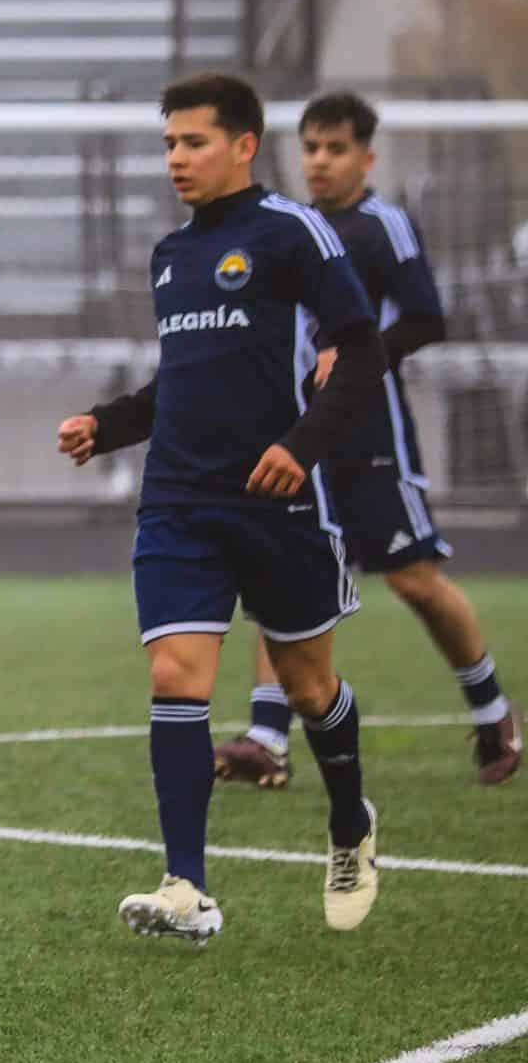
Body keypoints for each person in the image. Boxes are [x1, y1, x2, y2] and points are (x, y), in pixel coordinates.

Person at [56, 72, 385, 943]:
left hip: (279, 502)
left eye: (193, 141)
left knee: (309, 687)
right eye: (168, 142)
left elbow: (362, 354)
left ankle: (349, 820)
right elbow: (182, 382)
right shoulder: (170, 255)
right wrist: (107, 424)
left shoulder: (292, 232)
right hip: (178, 499)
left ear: (243, 145)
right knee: (176, 677)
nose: (176, 158)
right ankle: (186, 886)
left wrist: (300, 446)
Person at [214, 92, 517, 788]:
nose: (320, 161)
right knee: (281, 573)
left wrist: (356, 352)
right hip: (298, 433)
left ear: (367, 157)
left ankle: (493, 709)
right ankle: (267, 739)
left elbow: (427, 318)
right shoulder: (290, 227)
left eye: (336, 148)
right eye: (311, 147)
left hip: (369, 433)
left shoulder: (384, 226)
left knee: (414, 578)